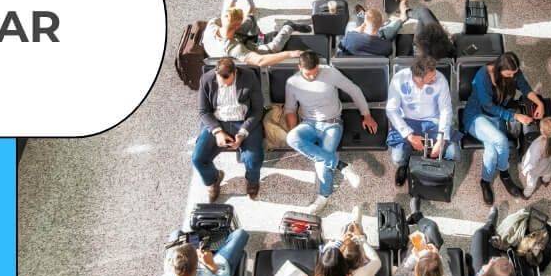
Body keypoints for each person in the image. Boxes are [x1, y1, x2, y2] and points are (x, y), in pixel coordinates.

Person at [284, 51, 377, 213]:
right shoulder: (292, 83)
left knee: (321, 162)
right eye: (308, 74)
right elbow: (290, 109)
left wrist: (367, 115)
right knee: (291, 137)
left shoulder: (330, 72)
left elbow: (354, 90)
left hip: (332, 123)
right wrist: (298, 134)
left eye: (315, 73)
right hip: (308, 124)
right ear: (299, 67)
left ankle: (323, 197)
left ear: (318, 66)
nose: (313, 77)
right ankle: (341, 165)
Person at [463, 52, 545, 204]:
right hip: (477, 116)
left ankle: (485, 181)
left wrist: (539, 103)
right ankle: (505, 174)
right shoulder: (483, 76)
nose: (512, 77)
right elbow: (488, 106)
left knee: (492, 152)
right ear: (499, 69)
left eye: (514, 73)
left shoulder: (513, 72)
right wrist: (515, 116)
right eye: (508, 74)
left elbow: (525, 88)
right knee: (501, 141)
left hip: (497, 117)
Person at [194, 58, 266, 201]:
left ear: (235, 72)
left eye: (230, 82)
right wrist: (217, 131)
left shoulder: (249, 77)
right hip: (218, 121)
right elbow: (203, 111)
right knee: (198, 159)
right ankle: (213, 180)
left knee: (254, 159)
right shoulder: (206, 79)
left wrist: (243, 132)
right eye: (223, 83)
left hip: (243, 121)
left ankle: (252, 181)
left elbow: (258, 110)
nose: (226, 85)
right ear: (216, 73)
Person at [386, 55, 459, 188]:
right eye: (431, 76)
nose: (435, 77)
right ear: (419, 77)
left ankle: (437, 169)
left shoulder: (441, 80)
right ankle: (404, 165)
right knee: (397, 157)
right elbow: (391, 110)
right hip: (407, 120)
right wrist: (409, 135)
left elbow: (445, 110)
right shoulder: (399, 79)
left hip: (433, 121)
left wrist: (441, 139)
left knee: (453, 154)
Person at [391, 197, 462, 276]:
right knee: (432, 229)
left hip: (412, 265)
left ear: (417, 273)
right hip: (433, 268)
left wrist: (414, 257)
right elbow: (446, 268)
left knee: (418, 238)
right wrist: (437, 252)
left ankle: (415, 217)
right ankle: (417, 216)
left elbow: (398, 275)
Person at [149, 229, 248, 276]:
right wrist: (211, 265)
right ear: (197, 265)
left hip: (178, 274)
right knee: (240, 234)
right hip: (213, 269)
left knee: (176, 233)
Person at [315, 206, 382, 276]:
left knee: (334, 242)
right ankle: (358, 226)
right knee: (360, 251)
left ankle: (352, 227)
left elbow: (330, 251)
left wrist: (341, 241)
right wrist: (361, 238)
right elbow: (376, 261)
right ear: (343, 265)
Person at [468, 206, 533, 276]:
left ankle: (490, 225)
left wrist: (483, 271)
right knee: (489, 242)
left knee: (480, 234)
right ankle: (492, 232)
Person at [202, 6, 305, 68]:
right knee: (274, 48)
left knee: (250, 19)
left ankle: (259, 37)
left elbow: (229, 18)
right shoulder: (234, 48)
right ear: (237, 25)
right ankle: (289, 26)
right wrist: (289, 54)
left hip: (228, 39)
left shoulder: (213, 23)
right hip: (236, 48)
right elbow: (260, 61)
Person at [338, 2, 408, 57]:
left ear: (364, 24)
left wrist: (355, 31)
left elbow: (340, 46)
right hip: (376, 71)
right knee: (388, 33)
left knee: (358, 21)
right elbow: (388, 54)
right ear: (381, 25)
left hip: (352, 69)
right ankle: (401, 19)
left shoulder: (350, 38)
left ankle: (362, 14)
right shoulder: (387, 46)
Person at [520, 117, 551, 197]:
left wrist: (524, 170)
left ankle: (526, 194)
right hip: (546, 165)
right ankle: (546, 181)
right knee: (547, 173)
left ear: (543, 132)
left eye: (541, 128)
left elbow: (531, 162)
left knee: (531, 183)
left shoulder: (537, 147)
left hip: (535, 170)